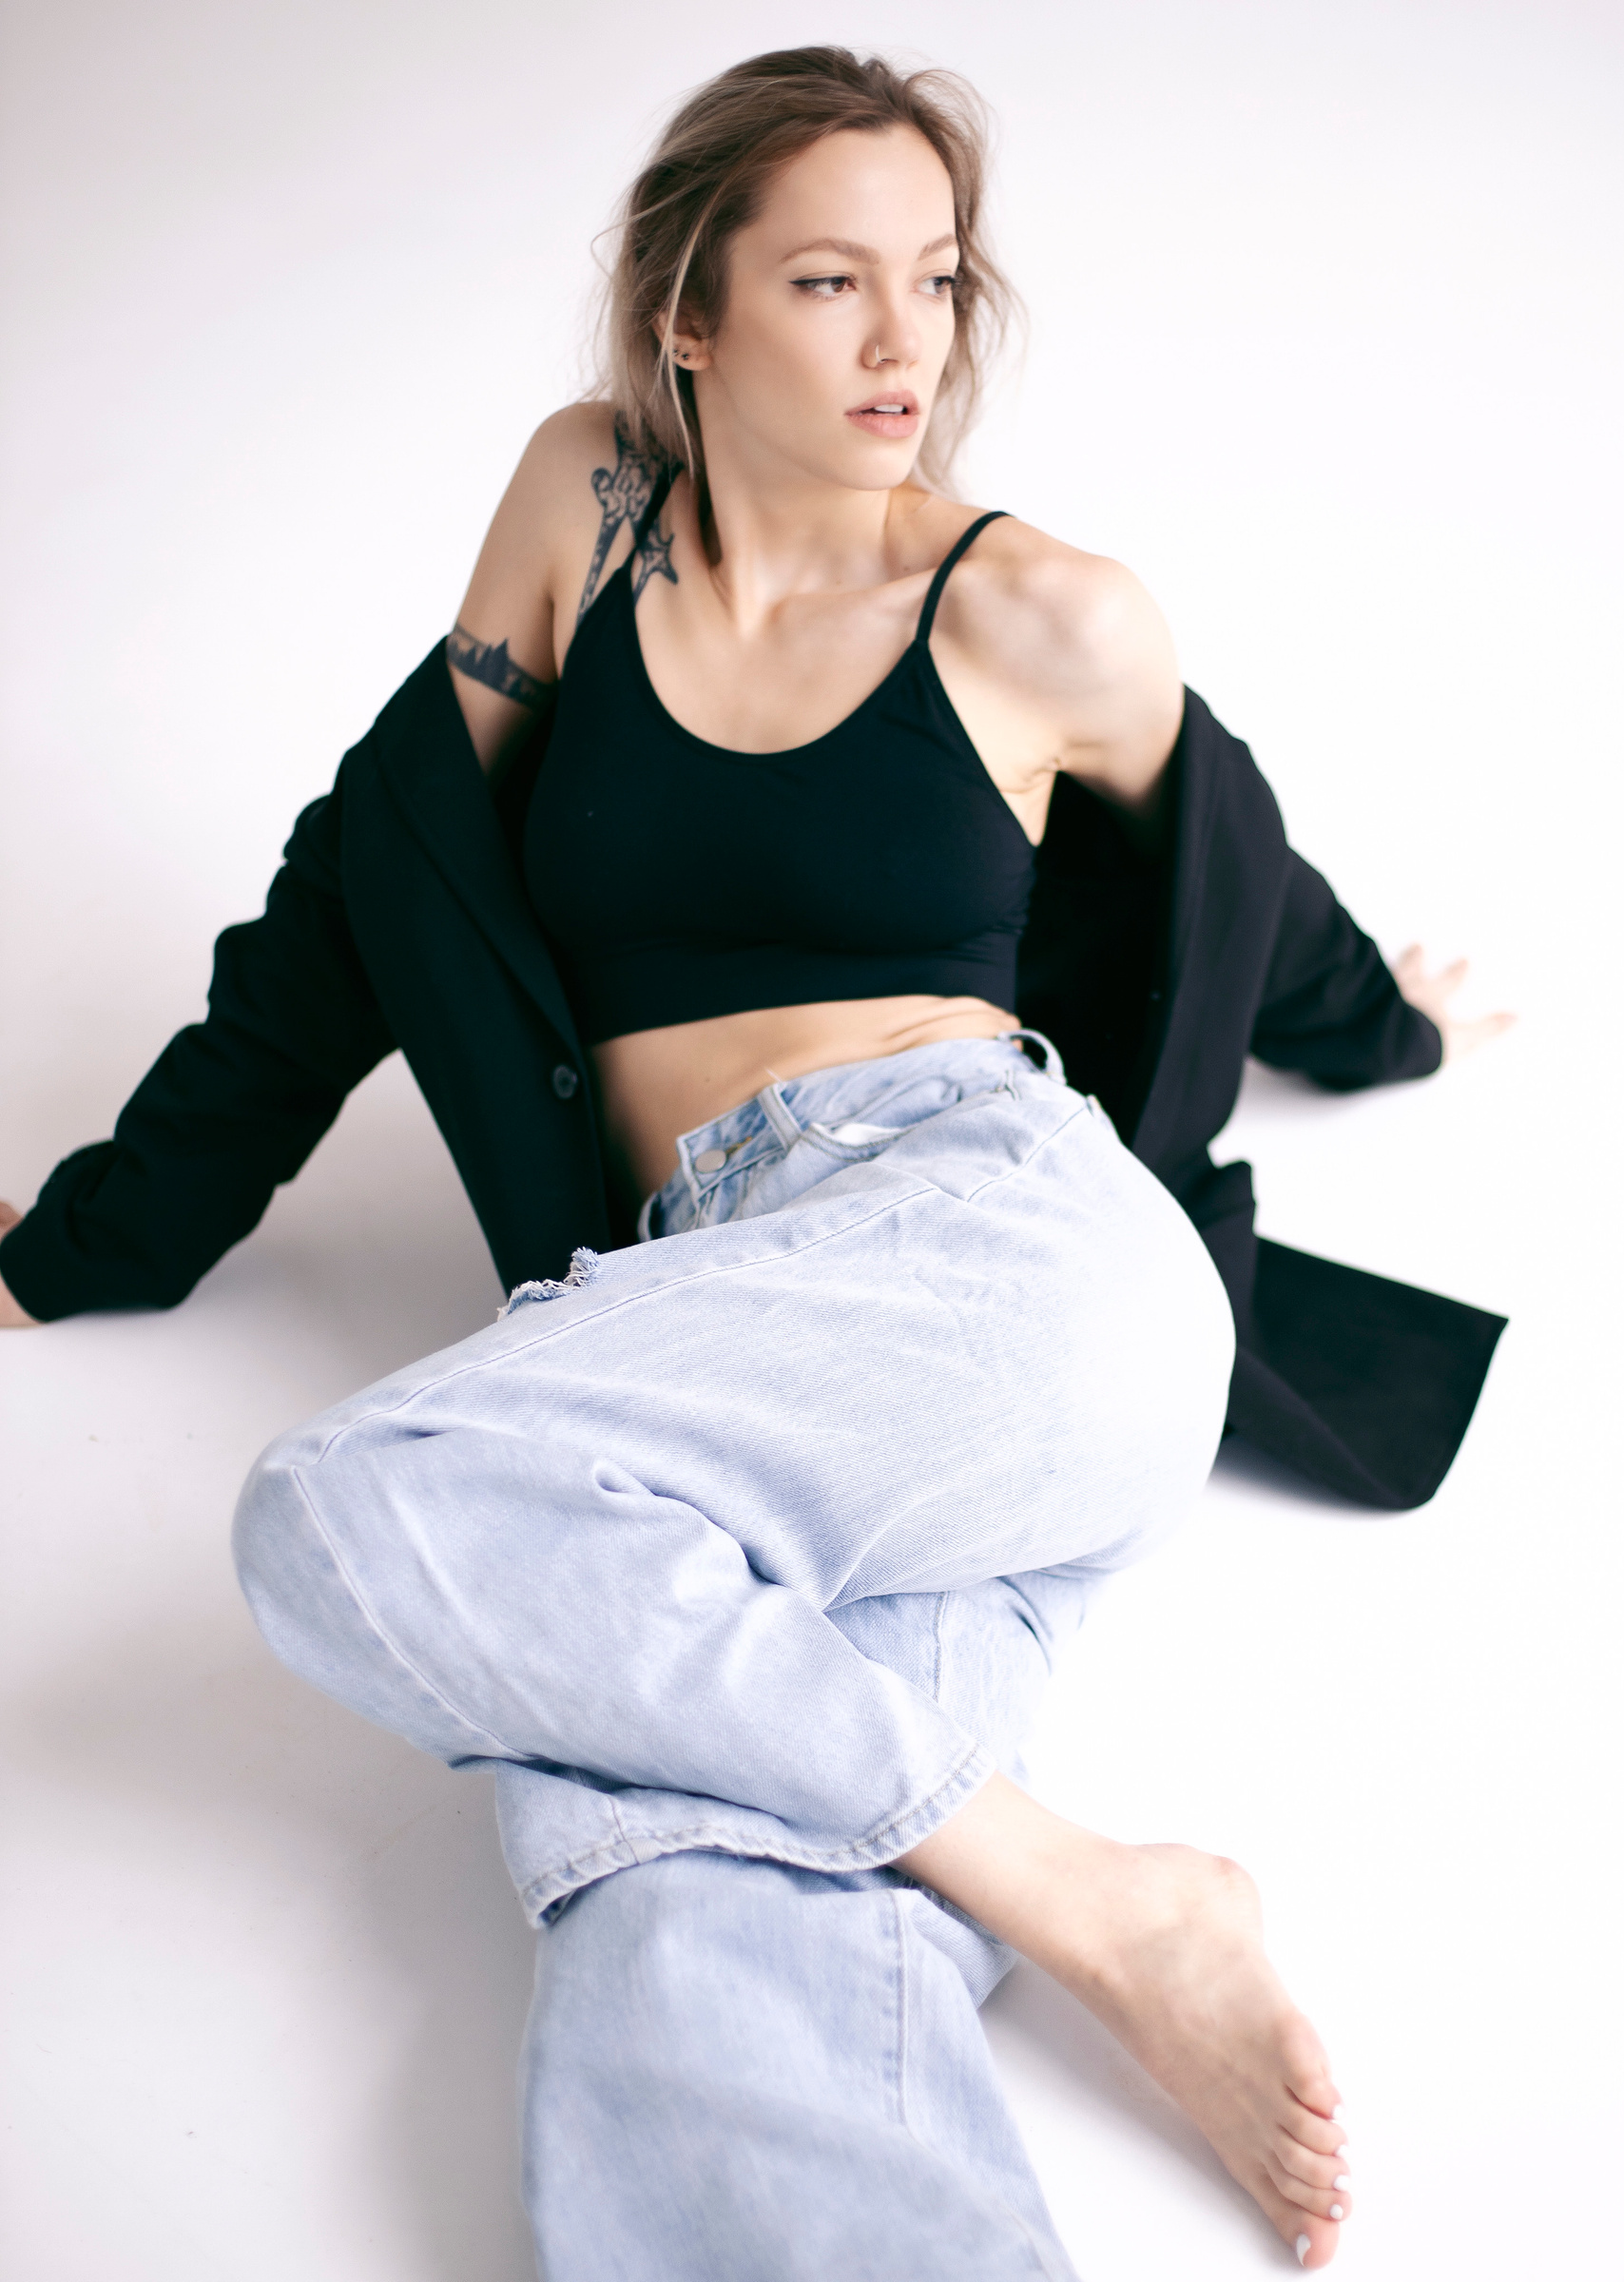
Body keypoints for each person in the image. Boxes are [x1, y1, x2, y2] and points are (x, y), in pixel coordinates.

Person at [0, 47, 1512, 2276]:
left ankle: (1097, 1906)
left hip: (1007, 1255)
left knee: (356, 1505)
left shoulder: (1036, 613)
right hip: (739, 1312)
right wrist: (97, 1236)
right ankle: (1100, 1901)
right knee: (691, 1902)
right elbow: (374, 877)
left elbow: (1234, 869)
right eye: (830, 280)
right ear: (689, 313)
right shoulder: (588, 508)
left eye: (937, 276)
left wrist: (1389, 1017)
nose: (906, 339)